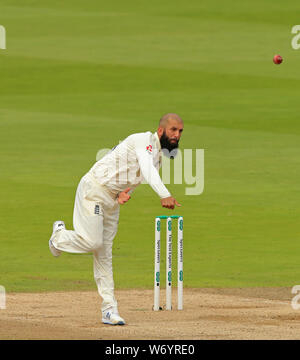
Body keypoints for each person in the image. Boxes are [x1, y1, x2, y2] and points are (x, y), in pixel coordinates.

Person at [48, 113, 184, 325]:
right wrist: (164, 194)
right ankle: (58, 237)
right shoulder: (142, 140)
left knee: (105, 253)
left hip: (112, 199)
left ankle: (109, 310)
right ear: (161, 130)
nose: (177, 135)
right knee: (93, 242)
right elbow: (147, 170)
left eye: (180, 131)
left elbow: (137, 176)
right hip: (95, 189)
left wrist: (124, 193)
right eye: (173, 130)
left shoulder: (157, 157)